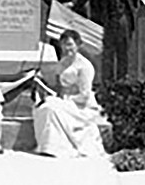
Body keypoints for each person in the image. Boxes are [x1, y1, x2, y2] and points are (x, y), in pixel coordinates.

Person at [32, 30, 107, 158]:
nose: (67, 49)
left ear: (78, 45)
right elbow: (58, 87)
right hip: (65, 101)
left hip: (81, 106)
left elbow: (84, 95)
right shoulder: (62, 63)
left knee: (52, 108)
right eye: (63, 45)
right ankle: (48, 146)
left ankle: (58, 148)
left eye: (70, 44)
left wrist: (65, 99)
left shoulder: (85, 66)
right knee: (43, 107)